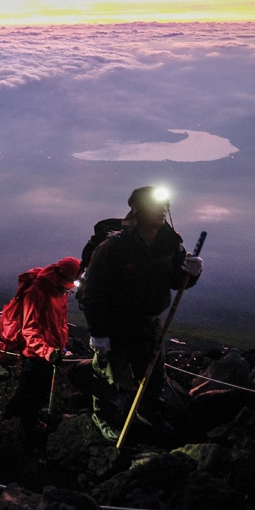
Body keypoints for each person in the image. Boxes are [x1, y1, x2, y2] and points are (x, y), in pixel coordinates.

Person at [79, 186, 203, 441]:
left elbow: (175, 281)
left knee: (153, 374)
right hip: (115, 323)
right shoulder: (114, 246)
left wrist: (191, 273)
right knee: (109, 375)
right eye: (155, 206)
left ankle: (148, 412)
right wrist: (99, 335)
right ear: (138, 210)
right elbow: (93, 292)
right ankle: (103, 416)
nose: (162, 211)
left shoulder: (170, 244)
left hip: (149, 323)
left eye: (164, 206)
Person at [2, 257, 81, 440]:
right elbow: (29, 330)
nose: (72, 287)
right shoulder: (37, 292)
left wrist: (60, 348)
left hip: (50, 352)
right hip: (35, 354)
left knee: (40, 394)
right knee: (26, 393)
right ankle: (6, 426)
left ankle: (29, 424)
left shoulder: (57, 289)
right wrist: (47, 352)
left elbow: (57, 323)